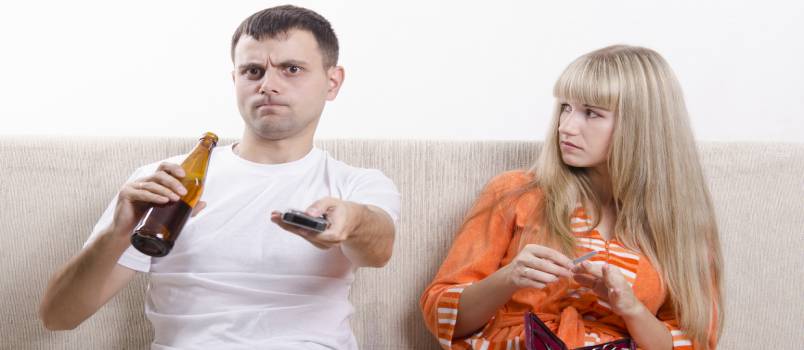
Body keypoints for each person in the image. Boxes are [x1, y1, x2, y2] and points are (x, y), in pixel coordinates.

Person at [39, 5, 400, 349]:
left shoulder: (358, 184)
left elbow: (378, 247)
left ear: (332, 82)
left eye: (291, 69)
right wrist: (116, 235)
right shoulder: (165, 181)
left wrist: (353, 221)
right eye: (253, 71)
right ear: (235, 80)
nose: (268, 85)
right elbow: (58, 316)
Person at [420, 45, 722, 350]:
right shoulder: (515, 193)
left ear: (641, 127)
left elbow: (695, 343)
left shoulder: (683, 227)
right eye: (566, 107)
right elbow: (442, 314)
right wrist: (510, 277)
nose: (566, 127)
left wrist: (632, 309)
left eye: (591, 113)